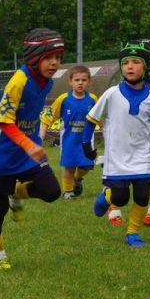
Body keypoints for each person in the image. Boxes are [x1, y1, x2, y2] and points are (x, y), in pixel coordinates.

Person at [0, 28, 64, 270]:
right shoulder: (19, 80)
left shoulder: (46, 83)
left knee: (51, 191)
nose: (55, 63)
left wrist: (34, 140)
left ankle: (17, 192)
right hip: (4, 149)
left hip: (28, 148)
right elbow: (5, 120)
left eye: (58, 58)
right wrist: (28, 144)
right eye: (49, 58)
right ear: (34, 57)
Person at [83, 42, 150, 247]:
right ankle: (106, 197)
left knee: (143, 195)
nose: (130, 66)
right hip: (116, 156)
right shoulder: (111, 94)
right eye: (125, 62)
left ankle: (133, 234)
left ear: (145, 68)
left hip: (142, 156)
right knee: (121, 197)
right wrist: (86, 144)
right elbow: (91, 119)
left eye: (136, 62)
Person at [40, 65, 97, 199]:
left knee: (87, 166)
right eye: (77, 80)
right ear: (70, 82)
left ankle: (77, 179)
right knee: (69, 166)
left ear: (89, 82)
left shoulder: (93, 99)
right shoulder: (63, 99)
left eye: (84, 80)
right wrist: (43, 131)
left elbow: (101, 118)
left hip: (86, 142)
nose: (80, 83)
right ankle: (68, 191)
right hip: (69, 141)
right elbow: (49, 115)